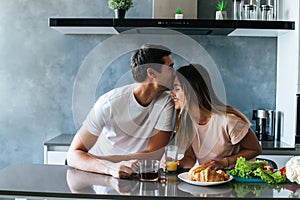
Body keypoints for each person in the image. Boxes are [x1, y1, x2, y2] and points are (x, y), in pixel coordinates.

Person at [67, 44, 175, 178]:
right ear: (152, 73)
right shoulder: (109, 103)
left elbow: (155, 154)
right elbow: (73, 155)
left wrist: (109, 159)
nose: (175, 72)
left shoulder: (166, 102)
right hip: (104, 176)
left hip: (140, 175)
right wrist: (109, 167)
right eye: (170, 68)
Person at [170, 64, 262, 170]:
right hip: (211, 181)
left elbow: (255, 149)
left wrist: (224, 163)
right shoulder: (188, 123)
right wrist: (178, 164)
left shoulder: (228, 121)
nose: (171, 94)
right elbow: (190, 158)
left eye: (177, 88)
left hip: (236, 182)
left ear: (192, 91)